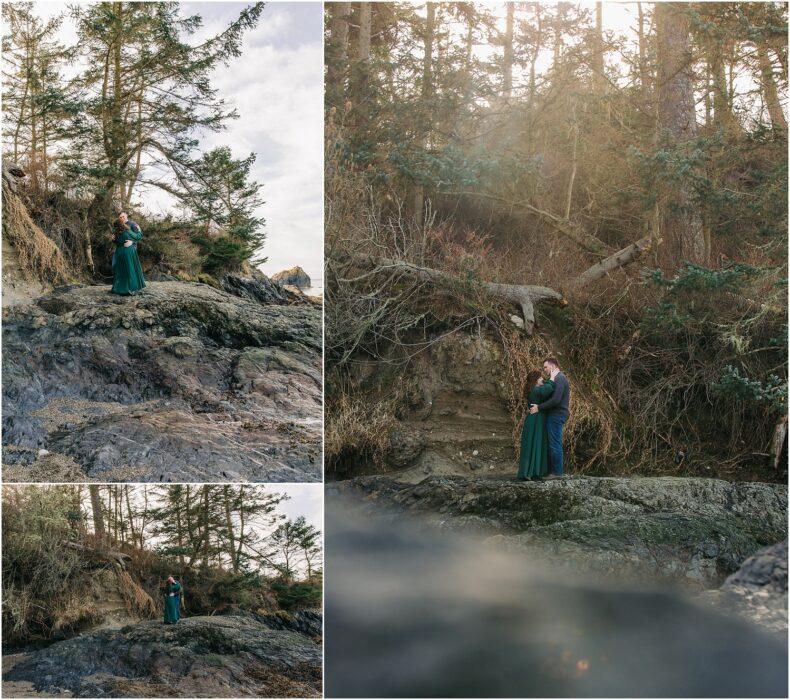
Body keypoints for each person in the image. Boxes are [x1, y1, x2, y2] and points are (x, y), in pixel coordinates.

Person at [529, 357, 570, 478]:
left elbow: (556, 400)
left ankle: (557, 473)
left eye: (546, 367)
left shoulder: (560, 378)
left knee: (554, 444)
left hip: (557, 415)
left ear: (553, 366)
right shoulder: (555, 379)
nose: (545, 370)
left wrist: (539, 407)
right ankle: (552, 471)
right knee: (552, 443)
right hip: (553, 415)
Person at [517, 370, 554, 481]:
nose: (542, 379)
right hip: (537, 420)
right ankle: (535, 473)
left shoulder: (532, 390)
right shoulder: (536, 390)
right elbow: (549, 388)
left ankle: (525, 473)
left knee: (530, 445)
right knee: (537, 444)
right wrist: (551, 380)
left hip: (533, 419)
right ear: (536, 380)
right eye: (540, 378)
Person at [110, 213, 146, 295]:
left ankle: (118, 288)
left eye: (123, 216)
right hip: (128, 251)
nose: (122, 218)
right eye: (120, 217)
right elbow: (138, 237)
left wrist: (113, 240)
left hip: (119, 251)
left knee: (120, 270)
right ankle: (130, 288)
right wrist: (139, 231)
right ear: (122, 223)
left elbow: (117, 242)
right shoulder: (127, 231)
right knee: (130, 269)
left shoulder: (116, 233)